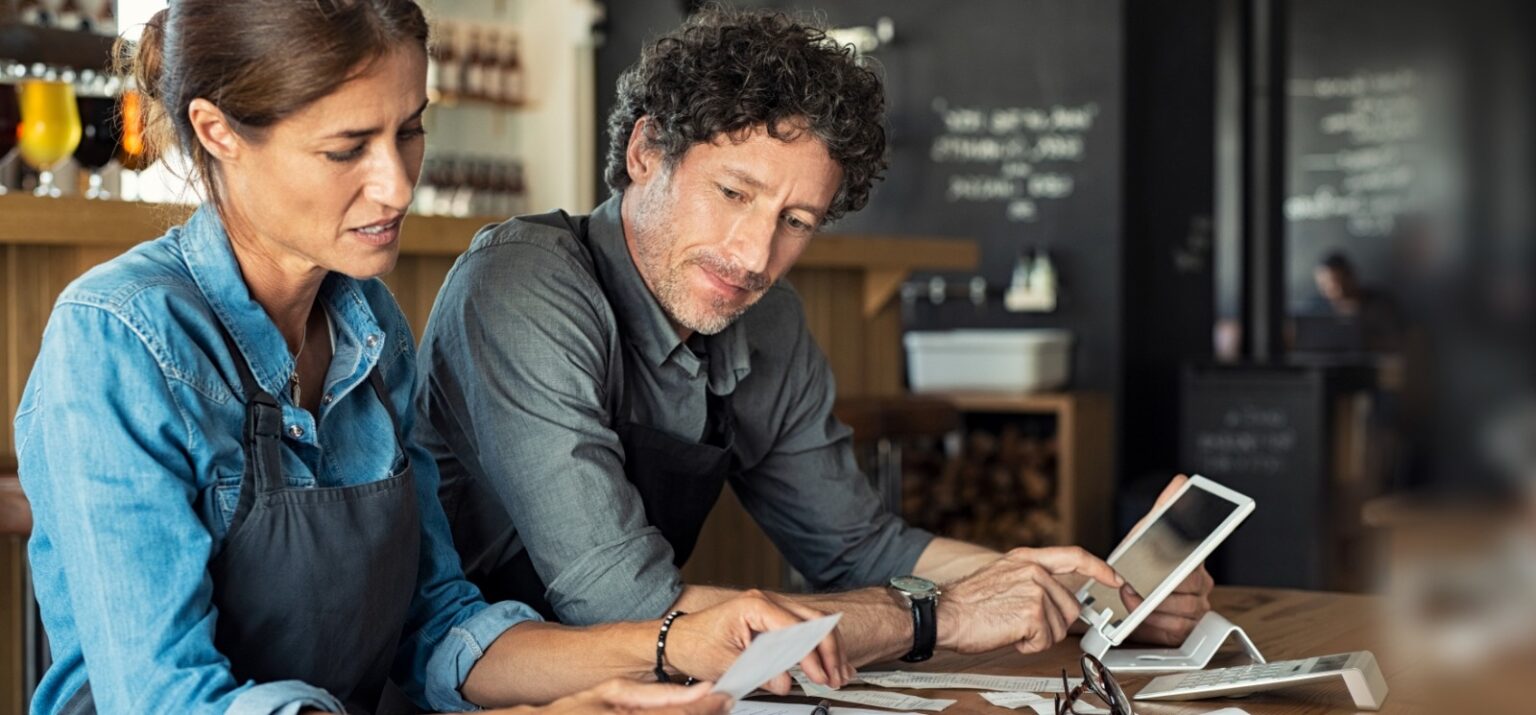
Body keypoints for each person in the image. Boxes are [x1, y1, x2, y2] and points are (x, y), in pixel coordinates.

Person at [14, 3, 846, 713]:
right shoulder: (118, 338)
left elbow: (440, 624)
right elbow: (165, 698)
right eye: (348, 148)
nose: (398, 184)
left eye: (409, 130)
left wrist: (668, 645)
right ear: (217, 131)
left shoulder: (368, 324)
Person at [416, 7, 1214, 670]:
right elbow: (628, 607)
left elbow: (859, 544)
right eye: (733, 192)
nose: (755, 255)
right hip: (471, 684)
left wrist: (1082, 595)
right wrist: (934, 618)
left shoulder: (768, 319)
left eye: (795, 222)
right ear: (645, 152)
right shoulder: (523, 286)